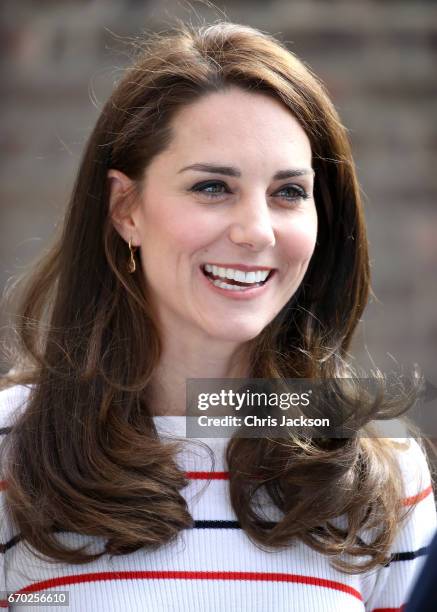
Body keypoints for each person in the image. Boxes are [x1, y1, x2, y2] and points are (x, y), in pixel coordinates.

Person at [0, 21, 435, 611]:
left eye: (289, 193)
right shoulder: (12, 448)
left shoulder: (380, 474)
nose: (256, 231)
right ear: (126, 208)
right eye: (212, 187)